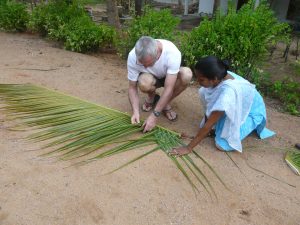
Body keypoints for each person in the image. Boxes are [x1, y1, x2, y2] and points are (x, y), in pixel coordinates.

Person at [170, 56, 275, 156]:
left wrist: (188, 148)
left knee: (221, 145)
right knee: (203, 93)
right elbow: (209, 109)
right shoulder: (219, 73)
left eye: (201, 79)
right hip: (234, 104)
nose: (198, 81)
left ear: (214, 79)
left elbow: (211, 121)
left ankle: (252, 124)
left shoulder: (227, 93)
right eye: (197, 77)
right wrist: (204, 130)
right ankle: (213, 130)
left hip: (251, 112)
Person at [127, 36, 192, 132]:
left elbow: (168, 88)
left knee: (186, 75)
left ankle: (165, 103)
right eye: (141, 63)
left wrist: (154, 115)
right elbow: (132, 87)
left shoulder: (172, 53)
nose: (144, 66)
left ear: (158, 53)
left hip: (169, 77)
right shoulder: (133, 56)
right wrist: (135, 112)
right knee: (144, 82)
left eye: (148, 63)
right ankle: (151, 97)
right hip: (151, 78)